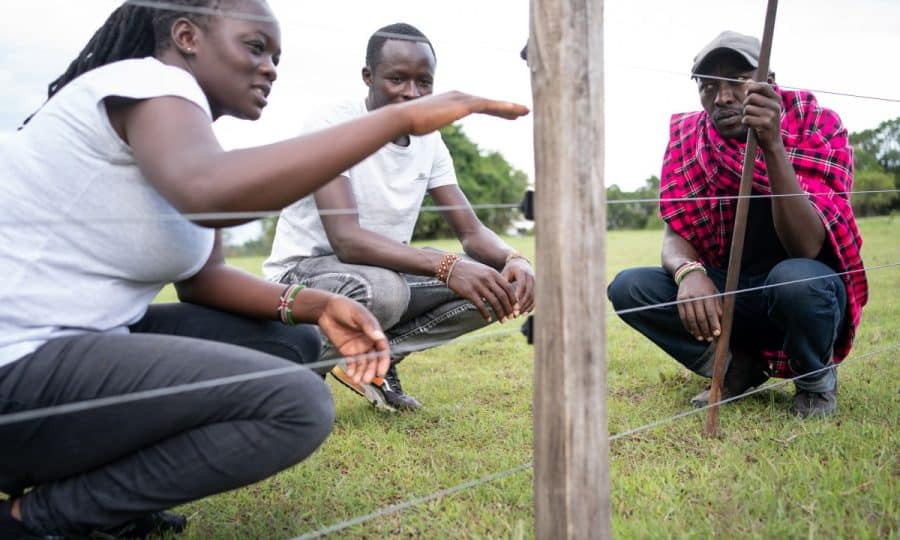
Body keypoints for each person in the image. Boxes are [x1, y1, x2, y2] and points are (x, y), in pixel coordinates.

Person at [0, 1, 528, 537]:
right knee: (296, 404)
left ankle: (112, 502)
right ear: (186, 36)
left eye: (276, 55)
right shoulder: (150, 84)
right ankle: (32, 523)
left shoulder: (188, 133)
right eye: (255, 48)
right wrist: (399, 119)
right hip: (16, 362)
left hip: (77, 345)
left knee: (291, 346)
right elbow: (212, 191)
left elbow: (202, 281)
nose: (271, 67)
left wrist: (319, 306)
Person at [263, 23, 536, 412]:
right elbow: (346, 239)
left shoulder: (430, 140)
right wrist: (445, 265)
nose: (412, 93)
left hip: (380, 274)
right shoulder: (332, 122)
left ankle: (378, 361)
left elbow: (471, 231)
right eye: (397, 79)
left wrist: (515, 260)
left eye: (424, 82)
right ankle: (295, 373)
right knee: (386, 291)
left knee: (495, 287)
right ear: (368, 77)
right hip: (304, 276)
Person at [607, 30, 867, 418]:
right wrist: (688, 272)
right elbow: (675, 235)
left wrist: (771, 144)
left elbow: (807, 247)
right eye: (709, 86)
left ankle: (814, 381)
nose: (723, 97)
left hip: (803, 294)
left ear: (769, 83)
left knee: (792, 280)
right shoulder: (689, 137)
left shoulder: (815, 124)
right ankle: (735, 366)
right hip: (728, 294)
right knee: (630, 287)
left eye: (738, 81)